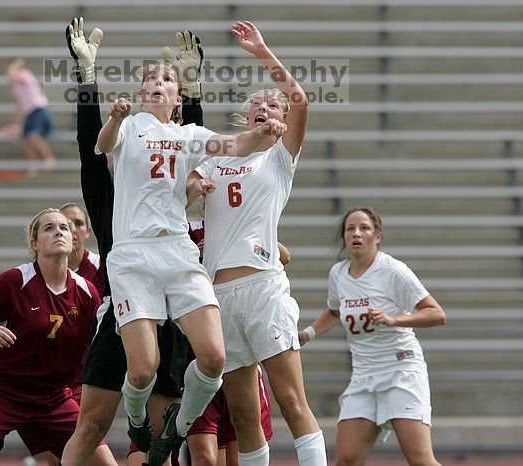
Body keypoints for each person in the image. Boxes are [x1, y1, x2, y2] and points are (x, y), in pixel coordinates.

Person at [95, 15, 286, 465]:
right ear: (143, 93)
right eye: (151, 79)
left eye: (166, 79)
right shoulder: (130, 125)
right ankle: (139, 417)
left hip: (178, 251)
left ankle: (174, 431)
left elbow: (234, 145)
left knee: (215, 358)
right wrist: (115, 117)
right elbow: (104, 145)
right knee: (142, 369)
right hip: (133, 254)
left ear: (178, 98)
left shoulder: (190, 136)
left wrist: (262, 133)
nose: (157, 84)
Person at [186, 21, 326, 466]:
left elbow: (301, 99)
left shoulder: (280, 158)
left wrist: (262, 51)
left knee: (289, 400)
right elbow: (184, 194)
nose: (266, 108)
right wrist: (192, 185)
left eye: (273, 104)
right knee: (245, 415)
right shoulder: (216, 158)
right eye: (258, 106)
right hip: (218, 294)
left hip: (263, 286)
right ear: (246, 119)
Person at [60, 19, 197, 466]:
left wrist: (192, 88)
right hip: (120, 303)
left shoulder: (174, 162)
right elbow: (89, 143)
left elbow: (192, 147)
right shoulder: (109, 186)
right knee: (91, 427)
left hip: (169, 307)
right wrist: (87, 78)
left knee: (161, 439)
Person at [0, 208, 115, 466]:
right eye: (49, 228)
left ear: (74, 240)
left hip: (54, 397)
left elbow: (98, 346)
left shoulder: (86, 292)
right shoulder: (13, 281)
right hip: (1, 389)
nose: (58, 231)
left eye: (64, 228)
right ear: (34, 243)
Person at [299, 206, 447, 466]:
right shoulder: (338, 274)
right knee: (347, 459)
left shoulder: (393, 271)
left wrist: (394, 320)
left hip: (401, 370)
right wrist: (308, 334)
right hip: (364, 375)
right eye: (350, 229)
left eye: (364, 228)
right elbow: (335, 312)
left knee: (421, 460)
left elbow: (436, 313)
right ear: (344, 237)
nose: (356, 233)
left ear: (377, 236)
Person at [2, 58, 56, 177]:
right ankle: (33, 167)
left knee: (34, 137)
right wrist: (17, 124)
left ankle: (49, 160)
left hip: (38, 109)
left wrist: (16, 64)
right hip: (29, 113)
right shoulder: (15, 86)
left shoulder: (25, 74)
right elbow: (19, 107)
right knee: (26, 142)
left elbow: (12, 75)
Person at [60, 202, 105, 297]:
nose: (73, 230)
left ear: (88, 232)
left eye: (78, 224)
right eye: (65, 224)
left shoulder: (102, 267)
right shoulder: (45, 270)